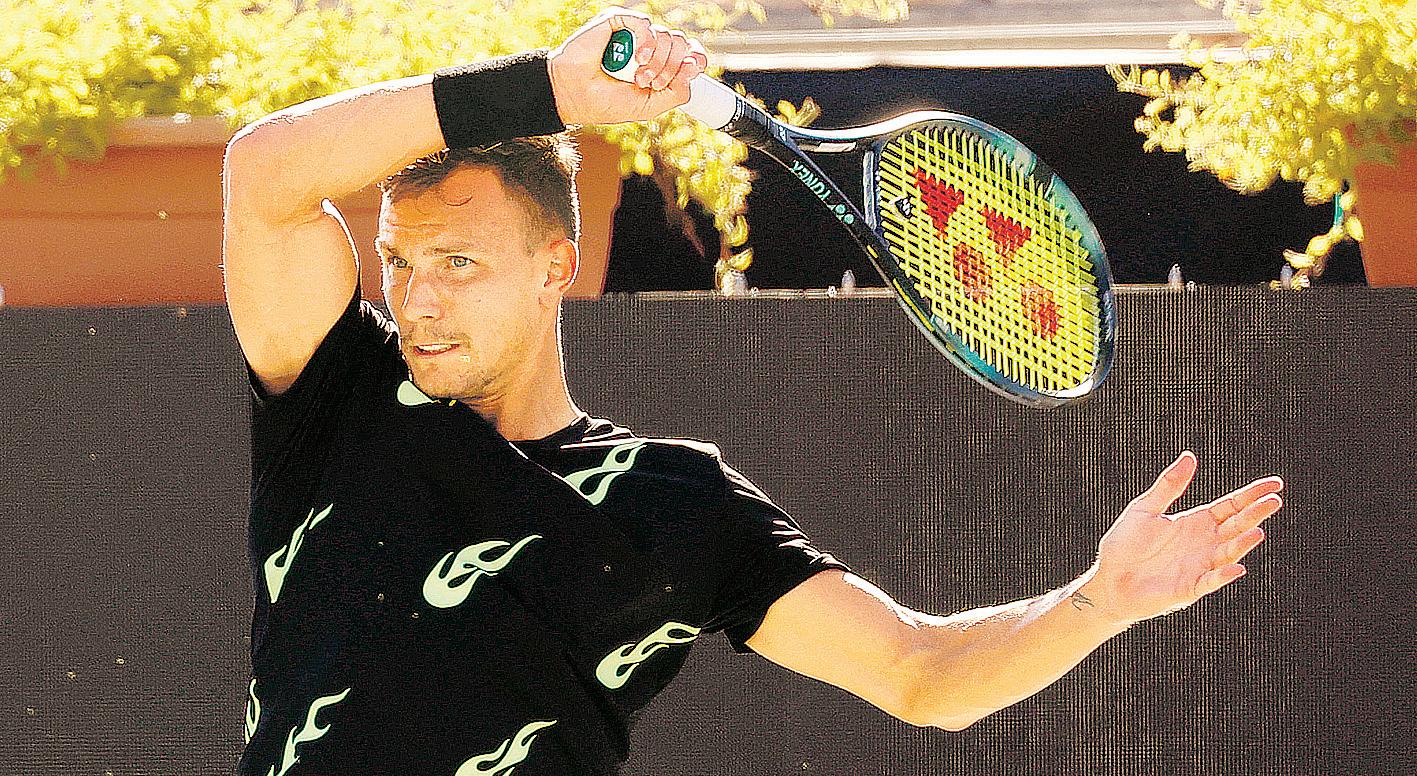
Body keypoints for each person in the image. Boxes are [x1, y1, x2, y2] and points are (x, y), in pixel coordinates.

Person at [221, 8, 1285, 775]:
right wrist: (552, 88)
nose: (415, 297)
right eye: (399, 261)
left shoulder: (676, 502)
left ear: (554, 268)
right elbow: (263, 171)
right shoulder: (338, 395)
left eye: (458, 262)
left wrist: (1097, 600)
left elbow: (919, 672)